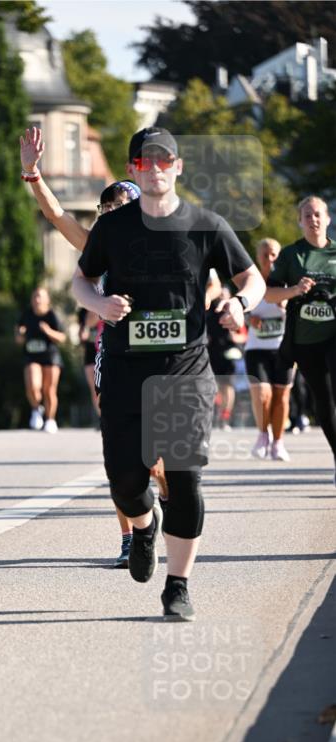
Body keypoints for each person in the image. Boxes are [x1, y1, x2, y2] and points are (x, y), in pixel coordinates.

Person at [72, 127, 266, 620]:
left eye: (164, 160)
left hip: (186, 372)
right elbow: (81, 279)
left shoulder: (205, 224)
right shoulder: (112, 229)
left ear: (178, 167)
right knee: (125, 481)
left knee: (186, 480)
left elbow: (253, 279)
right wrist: (99, 302)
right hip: (123, 370)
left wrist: (240, 304)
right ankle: (141, 528)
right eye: (145, 161)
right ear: (134, 168)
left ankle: (178, 586)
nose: (155, 168)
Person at [20, 126, 165, 568]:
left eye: (117, 207)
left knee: (159, 459)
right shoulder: (96, 246)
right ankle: (128, 537)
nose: (108, 216)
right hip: (113, 352)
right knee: (119, 449)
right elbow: (59, 216)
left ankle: (164, 515)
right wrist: (32, 174)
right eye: (104, 210)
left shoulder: (159, 241)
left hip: (159, 354)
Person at [265, 196, 336, 482]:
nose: (313, 219)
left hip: (334, 335)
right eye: (307, 215)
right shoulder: (291, 255)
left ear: (328, 219)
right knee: (324, 399)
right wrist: (295, 289)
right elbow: (269, 293)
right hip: (305, 341)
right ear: (300, 221)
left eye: (318, 214)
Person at [245, 238, 293, 460]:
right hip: (257, 348)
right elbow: (239, 308)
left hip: (283, 347)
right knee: (262, 394)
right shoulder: (251, 283)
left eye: (273, 254)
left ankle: (278, 443)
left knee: (281, 397)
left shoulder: (286, 281)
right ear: (258, 257)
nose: (270, 259)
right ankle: (263, 435)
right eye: (265, 254)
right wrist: (249, 319)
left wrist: (285, 306)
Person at [15, 286, 65, 434]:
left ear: (47, 300)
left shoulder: (52, 315)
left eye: (40, 297)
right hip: (32, 356)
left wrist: (48, 331)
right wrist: (20, 334)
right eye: (35, 296)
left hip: (50, 356)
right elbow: (18, 338)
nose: (37, 300)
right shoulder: (26, 315)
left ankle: (50, 420)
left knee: (49, 390)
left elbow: (62, 338)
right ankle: (37, 409)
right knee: (33, 386)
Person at [206, 284, 247, 431]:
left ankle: (225, 417)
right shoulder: (209, 313)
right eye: (219, 295)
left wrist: (235, 337)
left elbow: (244, 335)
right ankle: (216, 415)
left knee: (227, 386)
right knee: (215, 387)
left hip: (230, 354)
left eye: (224, 295)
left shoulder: (234, 313)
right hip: (213, 353)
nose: (221, 297)